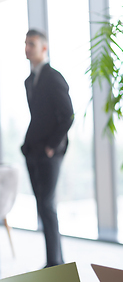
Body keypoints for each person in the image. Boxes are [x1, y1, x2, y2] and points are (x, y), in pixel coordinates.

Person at [21, 29, 74, 268]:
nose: (27, 48)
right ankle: (52, 260)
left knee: (47, 205)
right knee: (41, 205)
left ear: (44, 48)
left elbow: (67, 116)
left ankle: (55, 261)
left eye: (31, 43)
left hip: (50, 152)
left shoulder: (54, 77)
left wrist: (52, 147)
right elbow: (38, 117)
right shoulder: (29, 81)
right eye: (25, 43)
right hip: (32, 150)